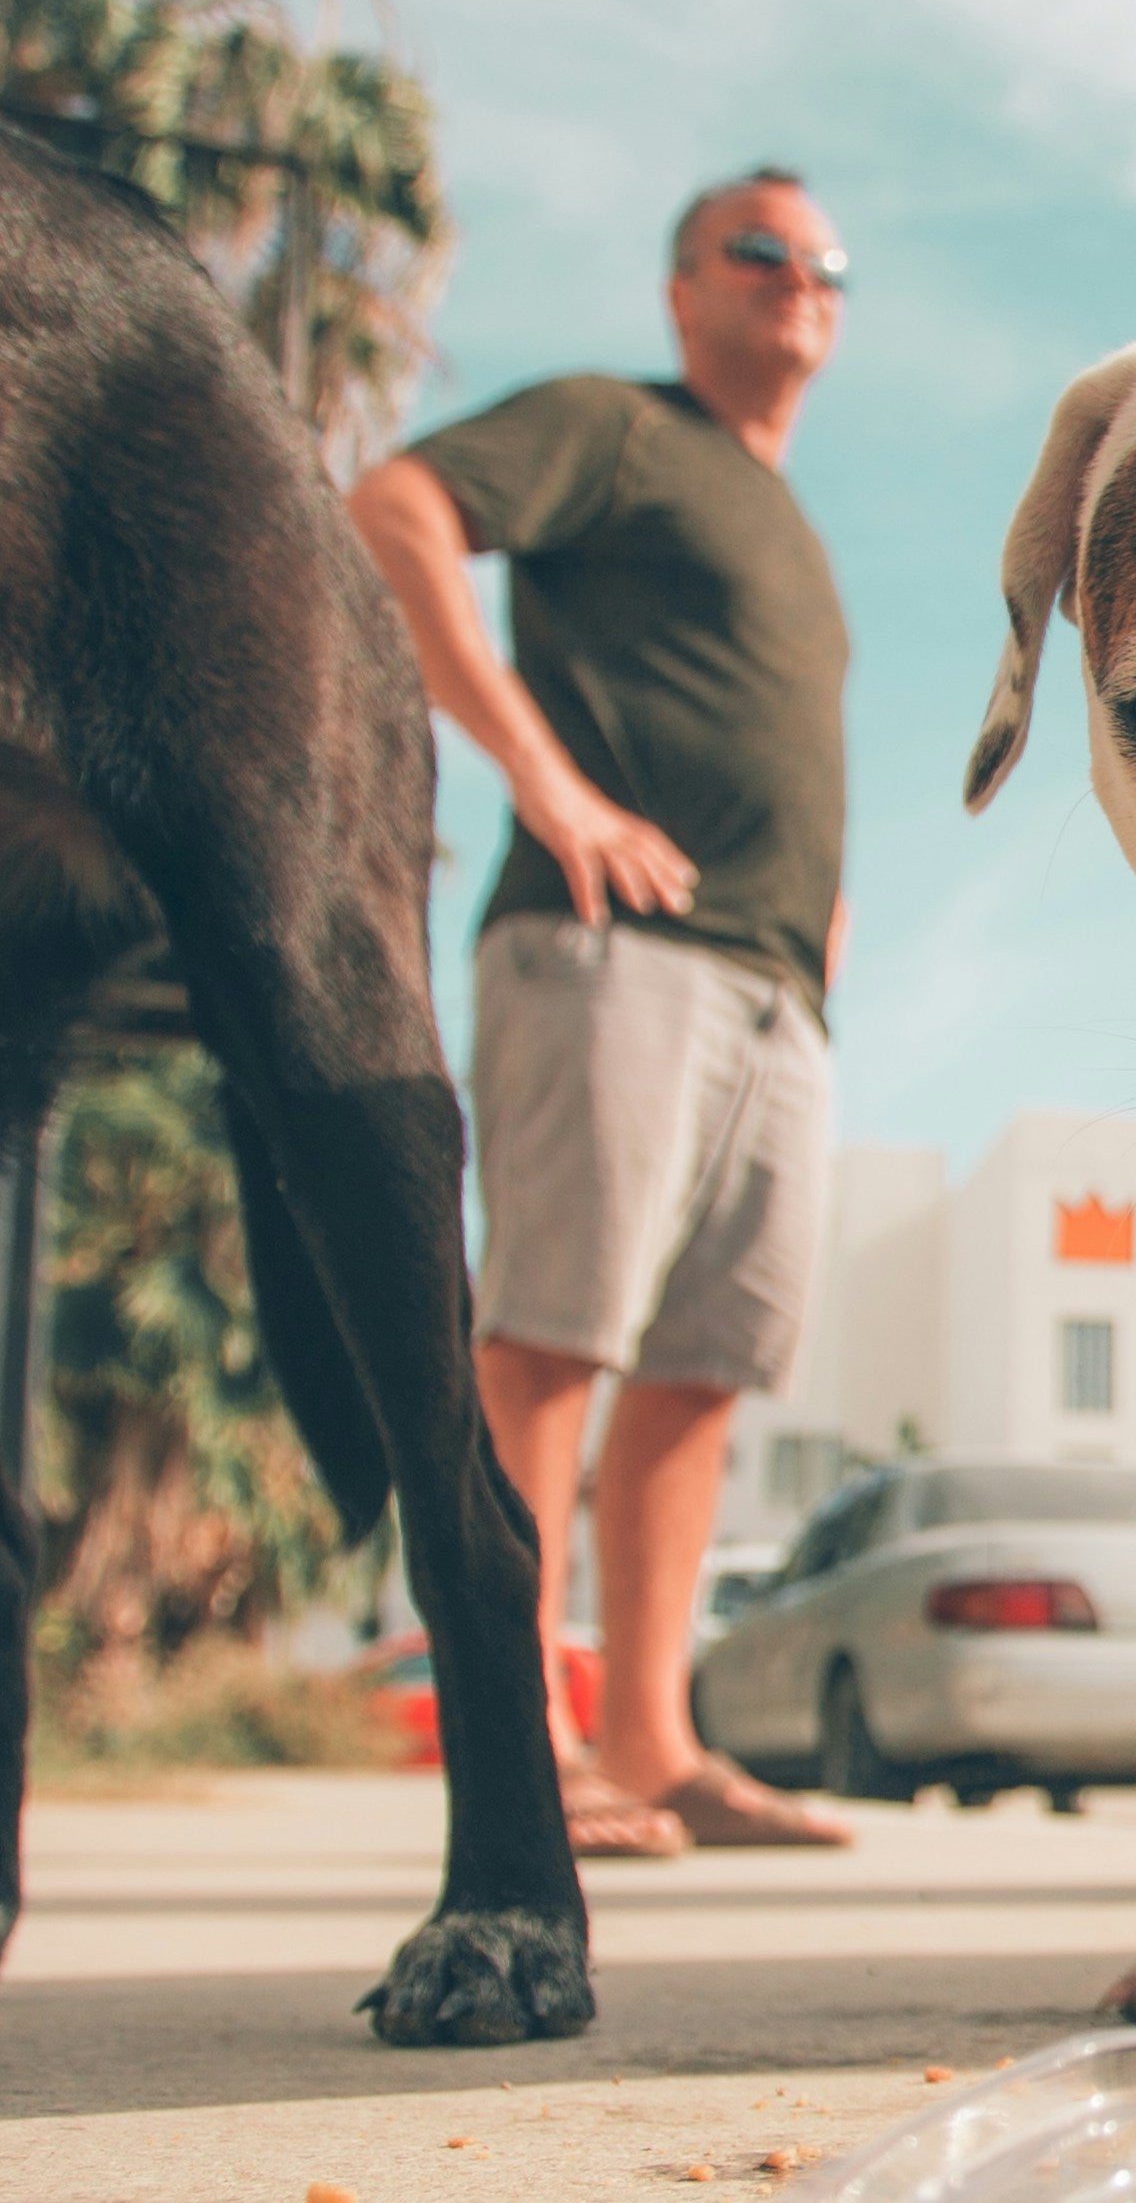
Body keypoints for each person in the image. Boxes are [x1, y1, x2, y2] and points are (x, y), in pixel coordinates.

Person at [351, 168, 854, 1854]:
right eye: (763, 253)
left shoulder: (778, 510)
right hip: (609, 947)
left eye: (824, 265)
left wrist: (821, 913)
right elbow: (398, 508)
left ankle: (650, 1738)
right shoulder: (621, 430)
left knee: (707, 1365)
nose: (801, 282)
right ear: (681, 288)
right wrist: (547, 781)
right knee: (557, 1332)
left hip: (774, 983)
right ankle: (518, 1739)